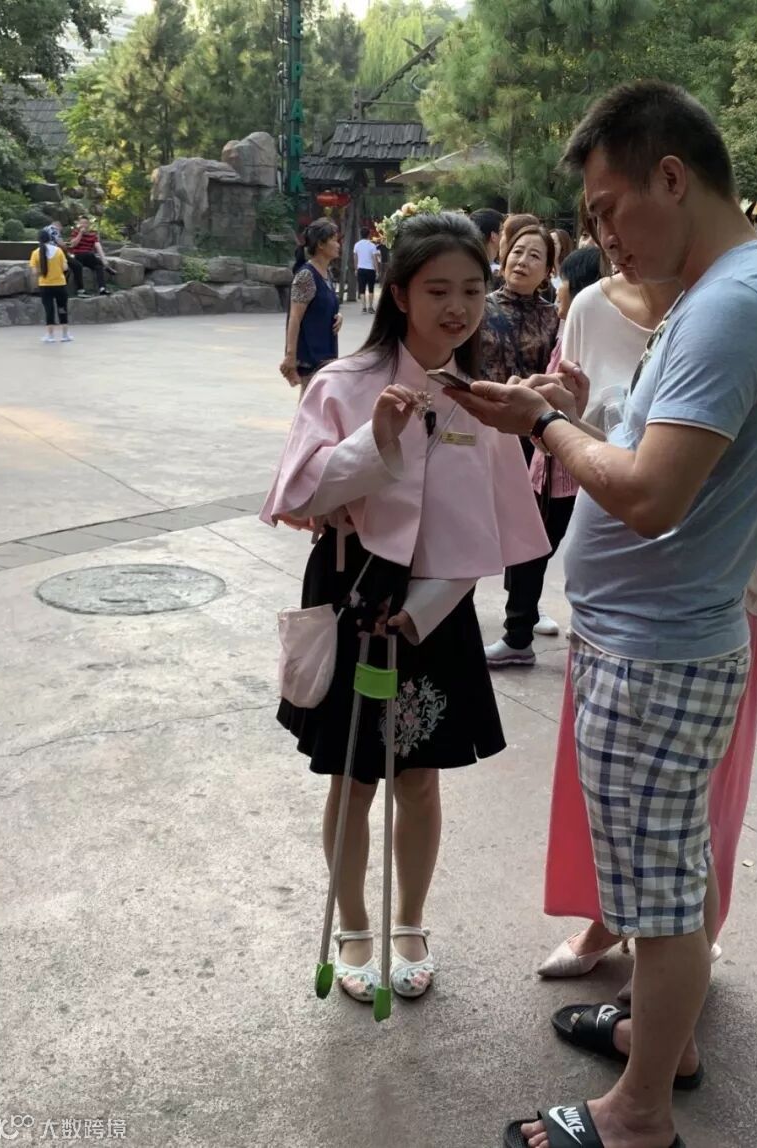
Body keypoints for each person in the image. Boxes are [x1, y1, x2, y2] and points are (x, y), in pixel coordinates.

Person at [447, 80, 757, 1148]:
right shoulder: (730, 290)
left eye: (609, 209)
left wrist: (543, 424)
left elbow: (651, 494)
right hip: (657, 639)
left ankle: (638, 1113)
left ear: (672, 176)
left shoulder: (733, 304)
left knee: (659, 894)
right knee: (662, 872)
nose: (600, 236)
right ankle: (663, 1039)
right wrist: (568, 415)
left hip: (659, 654)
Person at [260, 212, 549, 1004]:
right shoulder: (342, 383)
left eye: (472, 291)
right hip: (353, 595)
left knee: (419, 777)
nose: (458, 308)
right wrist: (375, 443)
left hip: (436, 605)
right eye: (438, 290)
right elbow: (298, 497)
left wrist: (424, 608)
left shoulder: (481, 402)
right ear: (398, 294)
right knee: (353, 776)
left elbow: (491, 530)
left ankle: (410, 920)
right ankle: (354, 925)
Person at [485, 245, 604, 666]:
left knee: (535, 546)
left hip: (557, 454)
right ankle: (521, 625)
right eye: (517, 251)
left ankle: (520, 630)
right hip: (539, 445)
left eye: (537, 257)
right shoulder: (495, 309)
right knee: (531, 544)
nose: (559, 288)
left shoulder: (570, 326)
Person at [480, 223, 560, 387]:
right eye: (517, 252)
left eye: (534, 256)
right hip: (484, 399)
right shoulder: (480, 308)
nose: (522, 261)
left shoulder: (554, 316)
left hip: (534, 401)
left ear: (547, 271)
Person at [280, 219, 343, 391]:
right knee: (311, 403)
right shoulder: (306, 276)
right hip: (311, 356)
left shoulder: (327, 273)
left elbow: (322, 305)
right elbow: (295, 318)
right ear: (321, 244)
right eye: (334, 240)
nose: (338, 245)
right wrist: (291, 356)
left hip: (326, 353)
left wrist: (338, 316)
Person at [29, 228, 72, 343]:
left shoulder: (35, 253)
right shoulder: (58, 251)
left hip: (44, 285)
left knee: (49, 310)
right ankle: (65, 335)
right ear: (50, 239)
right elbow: (65, 268)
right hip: (60, 284)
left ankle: (50, 335)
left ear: (39, 240)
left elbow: (34, 272)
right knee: (62, 309)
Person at [67, 215, 109, 296]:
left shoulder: (93, 235)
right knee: (78, 266)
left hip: (89, 256)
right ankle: (80, 290)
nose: (84, 225)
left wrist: (104, 259)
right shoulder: (75, 232)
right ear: (79, 224)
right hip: (78, 255)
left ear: (89, 224)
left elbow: (98, 247)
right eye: (82, 223)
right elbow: (73, 245)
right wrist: (80, 233)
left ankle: (102, 288)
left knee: (99, 265)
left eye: (85, 223)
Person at [353, 226, 379, 314]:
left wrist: (356, 269)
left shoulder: (357, 245)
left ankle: (364, 307)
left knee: (362, 288)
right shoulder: (372, 245)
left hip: (360, 269)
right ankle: (370, 307)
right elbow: (375, 259)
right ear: (369, 235)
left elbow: (355, 258)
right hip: (371, 269)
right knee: (371, 288)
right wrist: (377, 271)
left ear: (361, 234)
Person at [469, 207, 504, 273]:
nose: (505, 234)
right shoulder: (498, 273)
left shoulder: (467, 265)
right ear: (493, 236)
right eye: (502, 229)